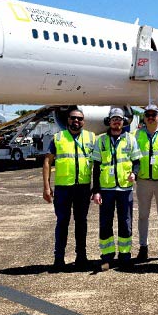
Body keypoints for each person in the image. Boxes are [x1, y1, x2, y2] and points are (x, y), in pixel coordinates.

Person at [42, 107, 96, 271]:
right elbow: (47, 162)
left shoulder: (91, 137)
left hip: (83, 188)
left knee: (81, 223)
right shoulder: (58, 138)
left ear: (83, 121)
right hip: (63, 188)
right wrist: (46, 187)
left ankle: (81, 257)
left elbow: (98, 162)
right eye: (73, 118)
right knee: (62, 223)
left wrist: (97, 186)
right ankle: (59, 258)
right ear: (68, 120)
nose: (76, 121)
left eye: (79, 119)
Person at [91, 107, 142, 270]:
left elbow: (136, 161)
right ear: (109, 121)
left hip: (125, 188)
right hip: (106, 189)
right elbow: (97, 167)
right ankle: (107, 256)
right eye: (114, 119)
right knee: (105, 223)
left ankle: (125, 255)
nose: (117, 122)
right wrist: (96, 191)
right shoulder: (101, 140)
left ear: (123, 122)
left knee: (125, 222)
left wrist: (134, 173)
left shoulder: (130, 139)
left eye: (119, 119)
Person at [134, 104, 158, 262]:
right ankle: (143, 247)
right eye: (147, 114)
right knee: (143, 216)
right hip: (143, 181)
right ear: (144, 117)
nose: (150, 117)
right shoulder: (137, 134)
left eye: (153, 115)